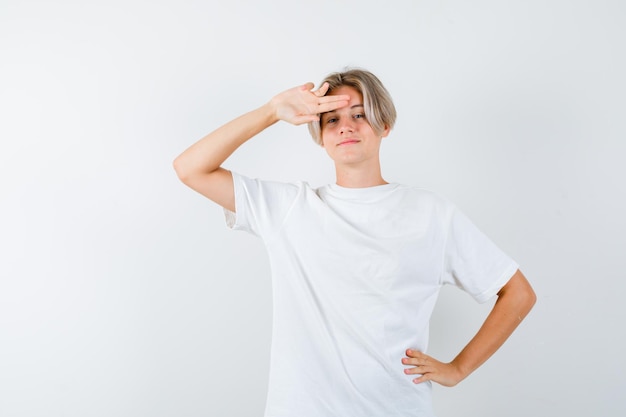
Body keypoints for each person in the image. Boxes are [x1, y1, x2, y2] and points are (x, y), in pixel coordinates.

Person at [173, 68, 536, 417]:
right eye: (332, 119)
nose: (345, 125)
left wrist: (458, 370)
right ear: (320, 134)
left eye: (360, 114)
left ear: (385, 125)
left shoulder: (432, 214)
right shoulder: (289, 209)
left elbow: (517, 293)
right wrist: (271, 111)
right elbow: (191, 168)